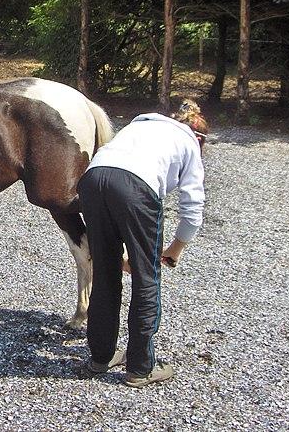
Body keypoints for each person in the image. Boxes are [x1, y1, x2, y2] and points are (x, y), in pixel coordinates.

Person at [78, 99, 208, 388]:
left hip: (93, 179)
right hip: (136, 187)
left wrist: (127, 251)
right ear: (199, 137)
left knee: (106, 273)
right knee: (147, 279)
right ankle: (140, 367)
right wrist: (176, 249)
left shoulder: (140, 126)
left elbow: (115, 178)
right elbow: (193, 209)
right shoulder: (189, 144)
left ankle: (100, 358)